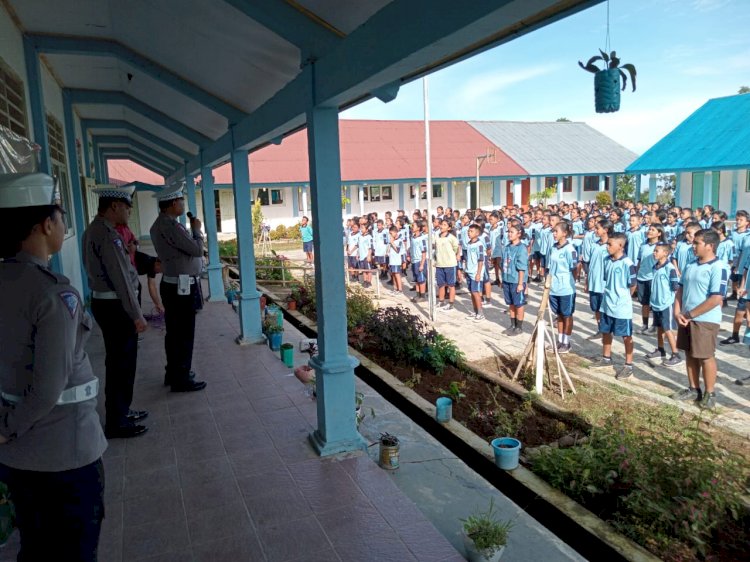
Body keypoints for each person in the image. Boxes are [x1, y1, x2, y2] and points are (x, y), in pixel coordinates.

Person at [0, 172, 107, 561]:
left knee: (36, 546)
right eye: (61, 217)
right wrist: (7, 429)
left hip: (18, 458)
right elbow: (47, 389)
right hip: (63, 452)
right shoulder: (52, 292)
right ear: (46, 224)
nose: (64, 226)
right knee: (73, 550)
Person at [82, 184, 148, 438]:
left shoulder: (94, 230)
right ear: (114, 206)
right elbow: (121, 279)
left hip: (106, 304)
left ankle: (122, 410)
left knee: (120, 361)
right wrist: (137, 315)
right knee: (122, 362)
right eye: (127, 207)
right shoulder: (108, 235)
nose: (129, 212)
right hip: (116, 306)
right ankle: (117, 420)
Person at [150, 184, 207, 392]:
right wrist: (197, 231)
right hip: (180, 289)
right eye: (181, 201)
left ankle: (174, 371)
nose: (183, 204)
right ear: (174, 203)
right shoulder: (171, 226)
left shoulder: (158, 225)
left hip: (171, 284)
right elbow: (197, 250)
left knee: (174, 332)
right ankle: (181, 378)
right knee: (184, 333)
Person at [672, 229, 728, 409]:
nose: (693, 245)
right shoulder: (691, 264)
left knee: (705, 356)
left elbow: (716, 299)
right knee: (689, 353)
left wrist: (689, 314)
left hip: (705, 319)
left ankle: (710, 393)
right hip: (686, 318)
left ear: (710, 246)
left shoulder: (718, 267)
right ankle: (693, 388)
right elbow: (680, 288)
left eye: (697, 243)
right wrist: (677, 310)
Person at [591, 233, 637, 379]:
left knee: (626, 336)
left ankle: (628, 365)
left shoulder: (627, 264)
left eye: (610, 244)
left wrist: (623, 297)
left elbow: (633, 285)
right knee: (605, 331)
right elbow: (606, 278)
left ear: (620, 246)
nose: (607, 246)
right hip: (607, 303)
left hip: (621, 306)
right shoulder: (607, 260)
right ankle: (606, 358)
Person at [645, 242, 682, 367]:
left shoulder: (670, 268)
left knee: (667, 329)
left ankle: (676, 354)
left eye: (657, 251)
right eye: (654, 250)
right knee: (659, 327)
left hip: (666, 304)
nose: (654, 252)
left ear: (665, 253)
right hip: (656, 303)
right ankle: (660, 350)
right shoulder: (655, 267)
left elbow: (675, 287)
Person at [547, 222, 578, 353]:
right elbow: (549, 266)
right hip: (554, 287)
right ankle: (559, 340)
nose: (554, 234)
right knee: (559, 315)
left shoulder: (570, 249)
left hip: (566, 288)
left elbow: (574, 268)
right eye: (553, 231)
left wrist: (571, 282)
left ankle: (567, 342)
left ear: (564, 233)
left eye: (556, 231)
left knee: (567, 315)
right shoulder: (553, 248)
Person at [501, 224, 528, 335]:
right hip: (507, 279)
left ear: (519, 233)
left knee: (519, 304)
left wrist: (520, 283)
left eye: (512, 232)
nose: (509, 234)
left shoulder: (521, 248)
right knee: (511, 303)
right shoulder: (507, 247)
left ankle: (519, 326)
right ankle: (512, 324)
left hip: (516, 280)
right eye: (508, 232)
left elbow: (522, 267)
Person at [434, 218, 460, 311]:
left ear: (449, 228)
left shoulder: (452, 238)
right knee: (440, 284)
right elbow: (435, 249)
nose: (441, 226)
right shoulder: (437, 236)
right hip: (440, 264)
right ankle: (441, 301)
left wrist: (455, 256)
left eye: (444, 225)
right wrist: (435, 260)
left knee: (451, 285)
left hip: (450, 264)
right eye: (441, 224)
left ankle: (451, 303)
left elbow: (456, 248)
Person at [465, 223, 485, 321]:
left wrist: (478, 273)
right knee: (472, 293)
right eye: (468, 231)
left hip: (476, 273)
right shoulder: (469, 243)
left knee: (476, 292)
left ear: (477, 233)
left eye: (471, 231)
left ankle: (480, 313)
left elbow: (481, 260)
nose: (469, 233)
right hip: (469, 271)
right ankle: (475, 311)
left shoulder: (479, 245)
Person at [387, 225, 404, 296]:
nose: (390, 235)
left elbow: (398, 250)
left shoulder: (399, 240)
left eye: (391, 233)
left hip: (396, 261)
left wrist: (392, 243)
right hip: (392, 260)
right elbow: (388, 250)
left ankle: (400, 290)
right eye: (389, 234)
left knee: (397, 275)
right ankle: (395, 288)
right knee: (393, 275)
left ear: (395, 232)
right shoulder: (392, 241)